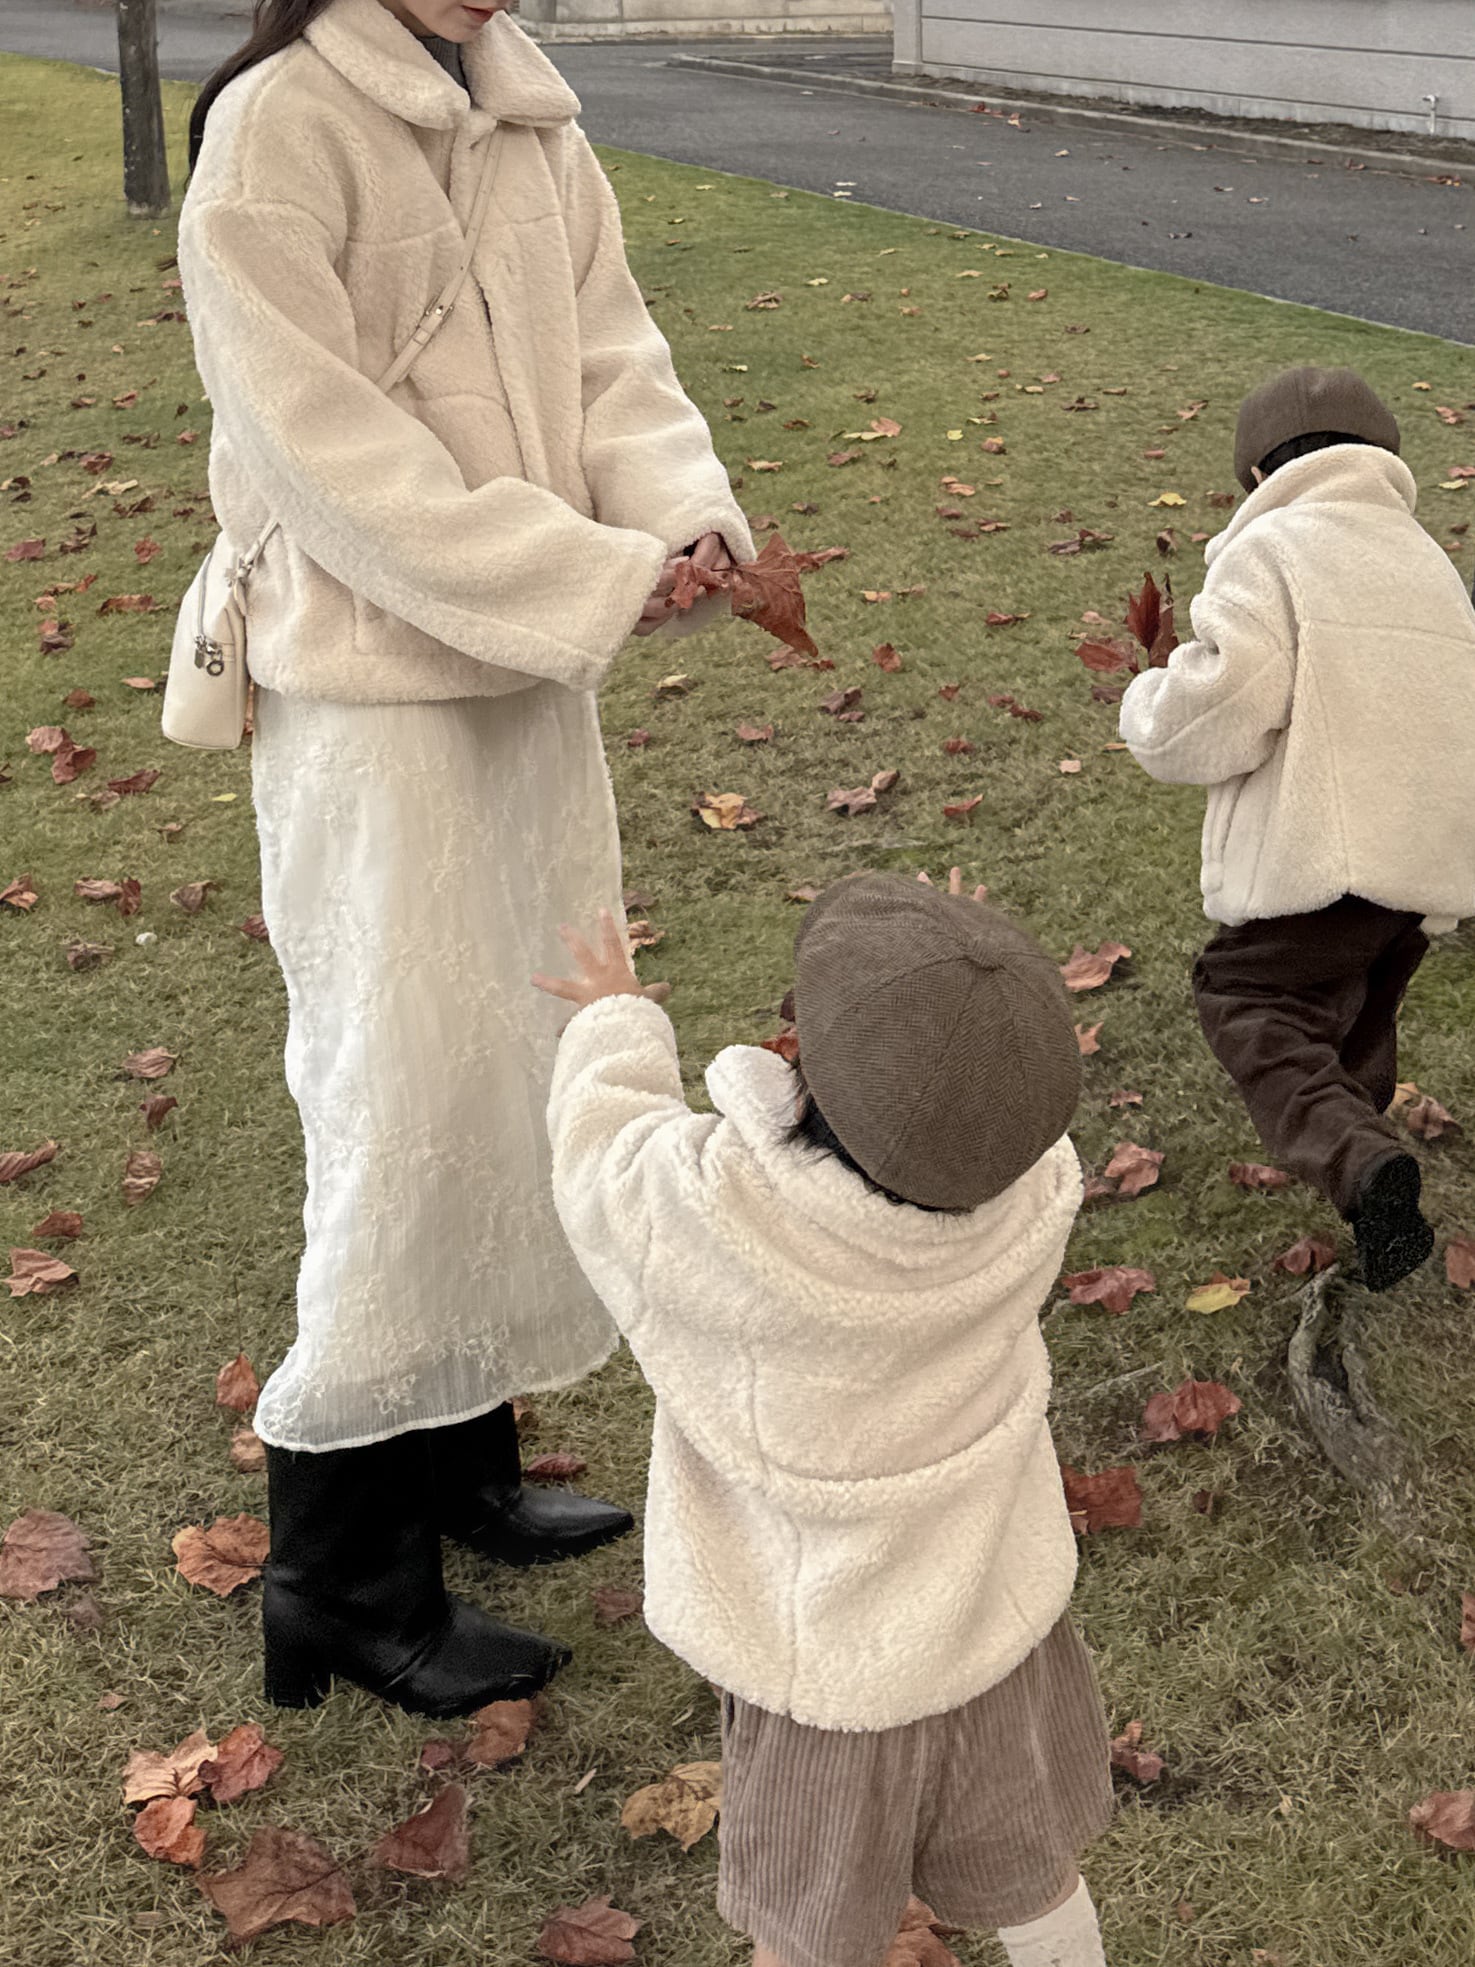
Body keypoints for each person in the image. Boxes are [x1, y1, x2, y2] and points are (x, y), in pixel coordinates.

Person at [176, 0, 754, 1718]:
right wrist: (588, 572)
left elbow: (613, 359)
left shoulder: (531, 122)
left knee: (529, 1056)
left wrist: (683, 521)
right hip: (373, 703)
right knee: (400, 1097)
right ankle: (339, 1578)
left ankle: (460, 1460)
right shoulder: (274, 131)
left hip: (527, 676)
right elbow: (333, 463)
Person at [534, 873, 1115, 1967]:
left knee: (812, 1938)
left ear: (802, 1054)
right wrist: (958, 990)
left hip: (829, 1684)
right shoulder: (1034, 1189)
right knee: (1033, 1875)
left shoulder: (723, 1214)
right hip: (993, 1624)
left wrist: (615, 1016)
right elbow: (973, 1092)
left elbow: (604, 1158)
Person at [1119, 366, 1475, 1292]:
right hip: (1425, 859)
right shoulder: (1426, 562)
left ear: (1255, 473)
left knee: (1246, 996)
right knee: (1354, 1011)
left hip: (1325, 853)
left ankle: (1361, 1164)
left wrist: (1147, 701)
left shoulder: (1271, 550)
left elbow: (1223, 706)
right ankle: (1375, 1194)